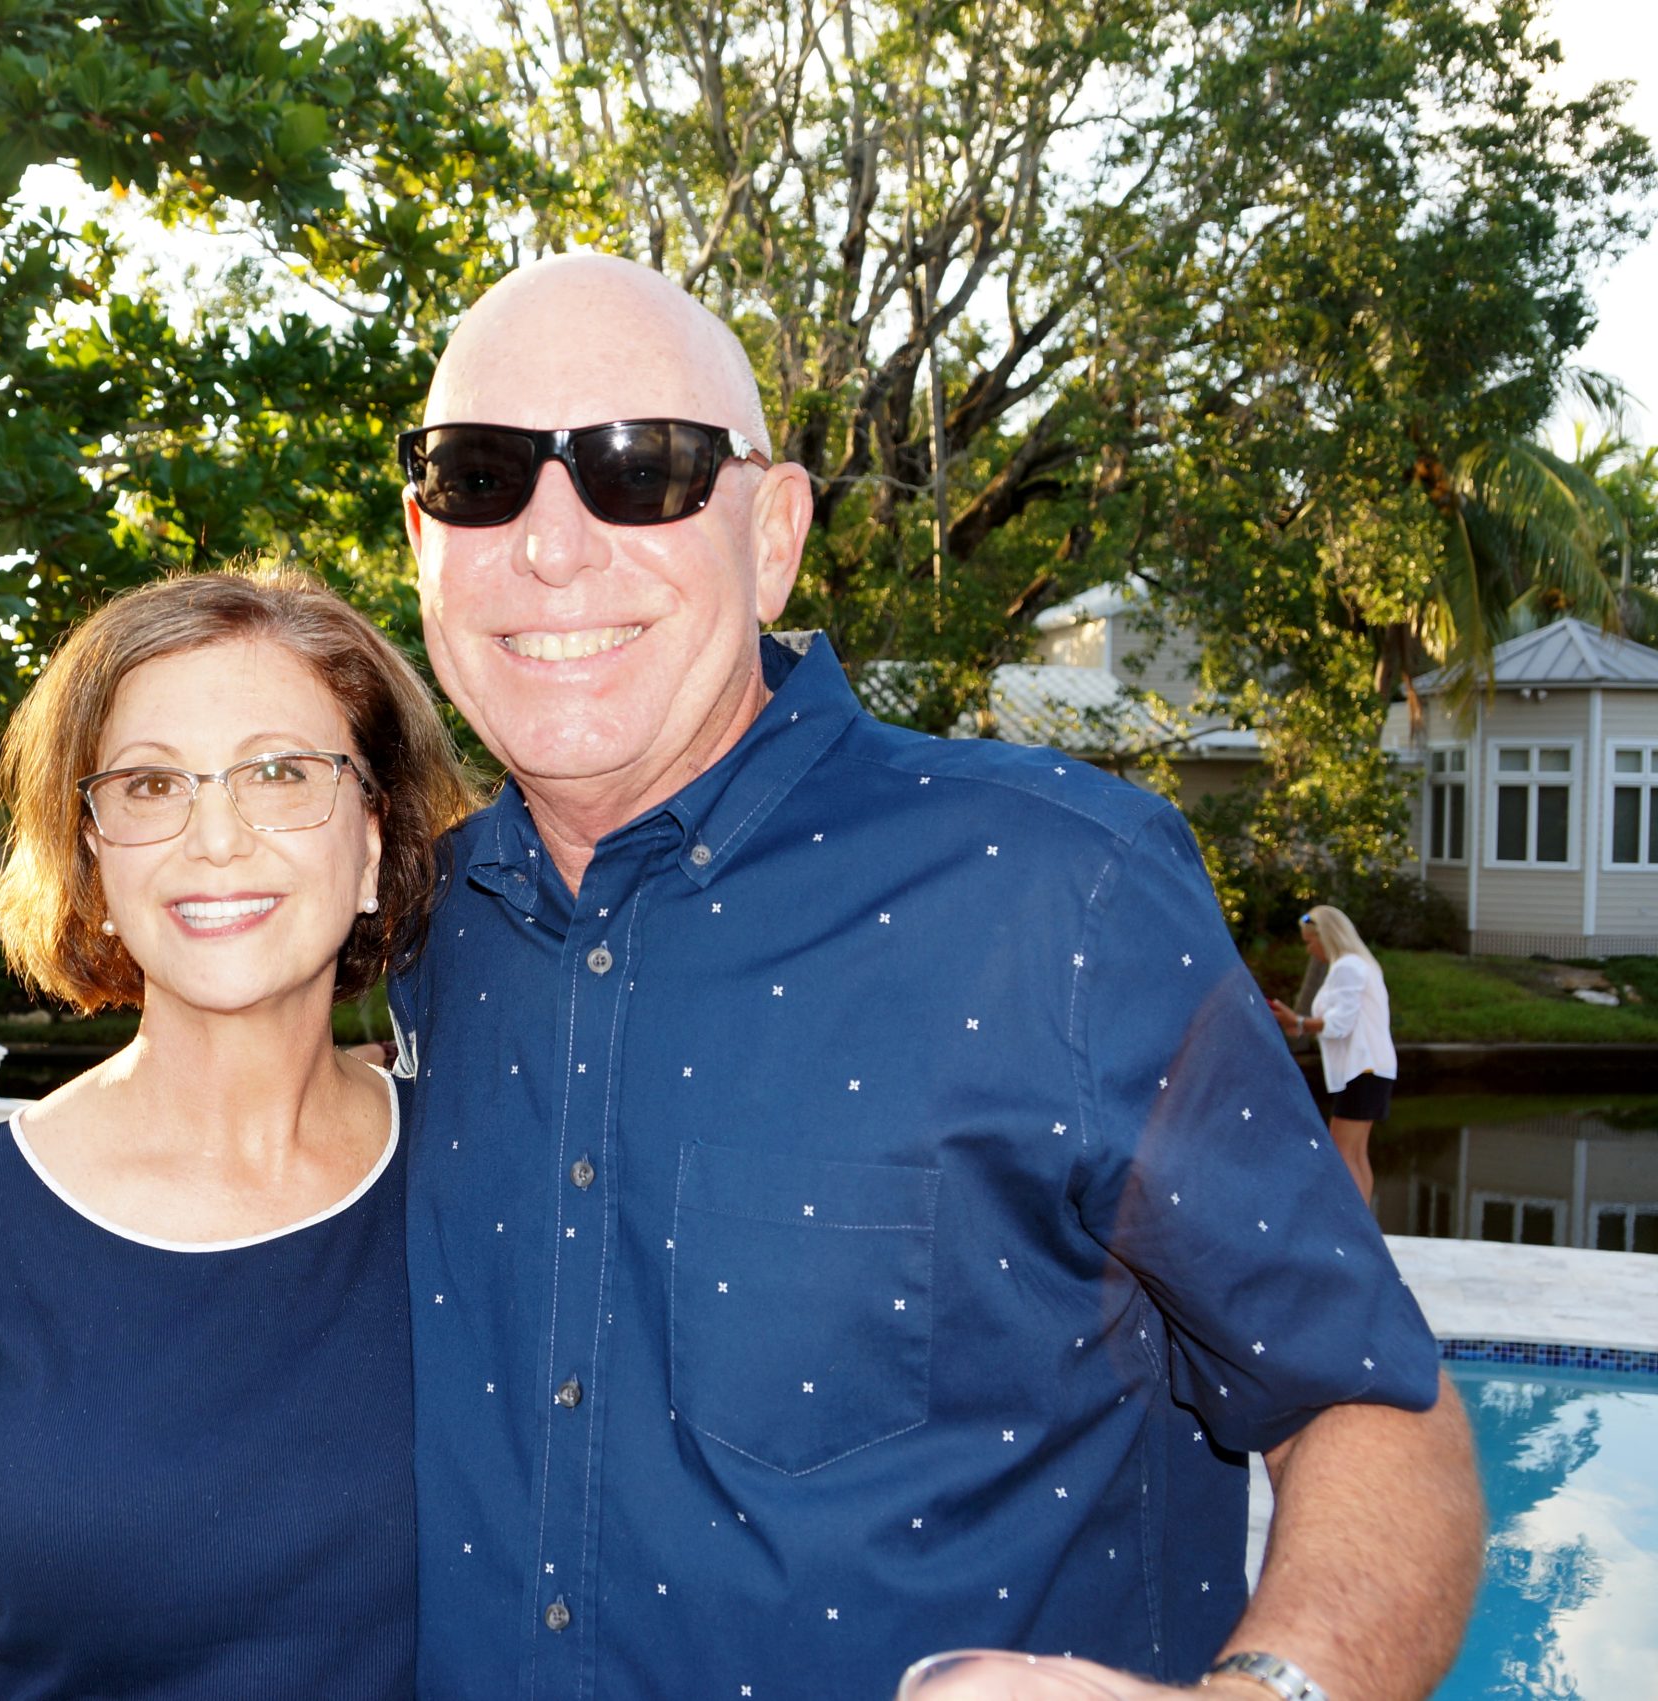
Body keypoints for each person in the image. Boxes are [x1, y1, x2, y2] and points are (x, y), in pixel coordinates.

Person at [386, 254, 1481, 1701]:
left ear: (773, 535)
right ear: (423, 538)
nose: (549, 545)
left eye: (640, 471)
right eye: (478, 476)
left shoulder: (1063, 891)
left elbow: (1372, 1406)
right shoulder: (430, 927)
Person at [0, 569, 471, 1700]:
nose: (215, 838)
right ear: (95, 857)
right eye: (152, 784)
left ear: (373, 839)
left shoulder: (491, 1179)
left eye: (280, 773)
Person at [1269, 906, 1396, 1205]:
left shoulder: (1346, 967)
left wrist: (1298, 1022)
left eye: (1310, 941)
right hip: (1373, 1069)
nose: (1309, 949)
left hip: (1361, 1069)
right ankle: (1364, 1223)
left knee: (1343, 1153)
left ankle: (1354, 1224)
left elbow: (1340, 1024)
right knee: (1356, 1154)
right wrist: (1300, 1025)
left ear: (1327, 937)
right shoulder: (1362, 965)